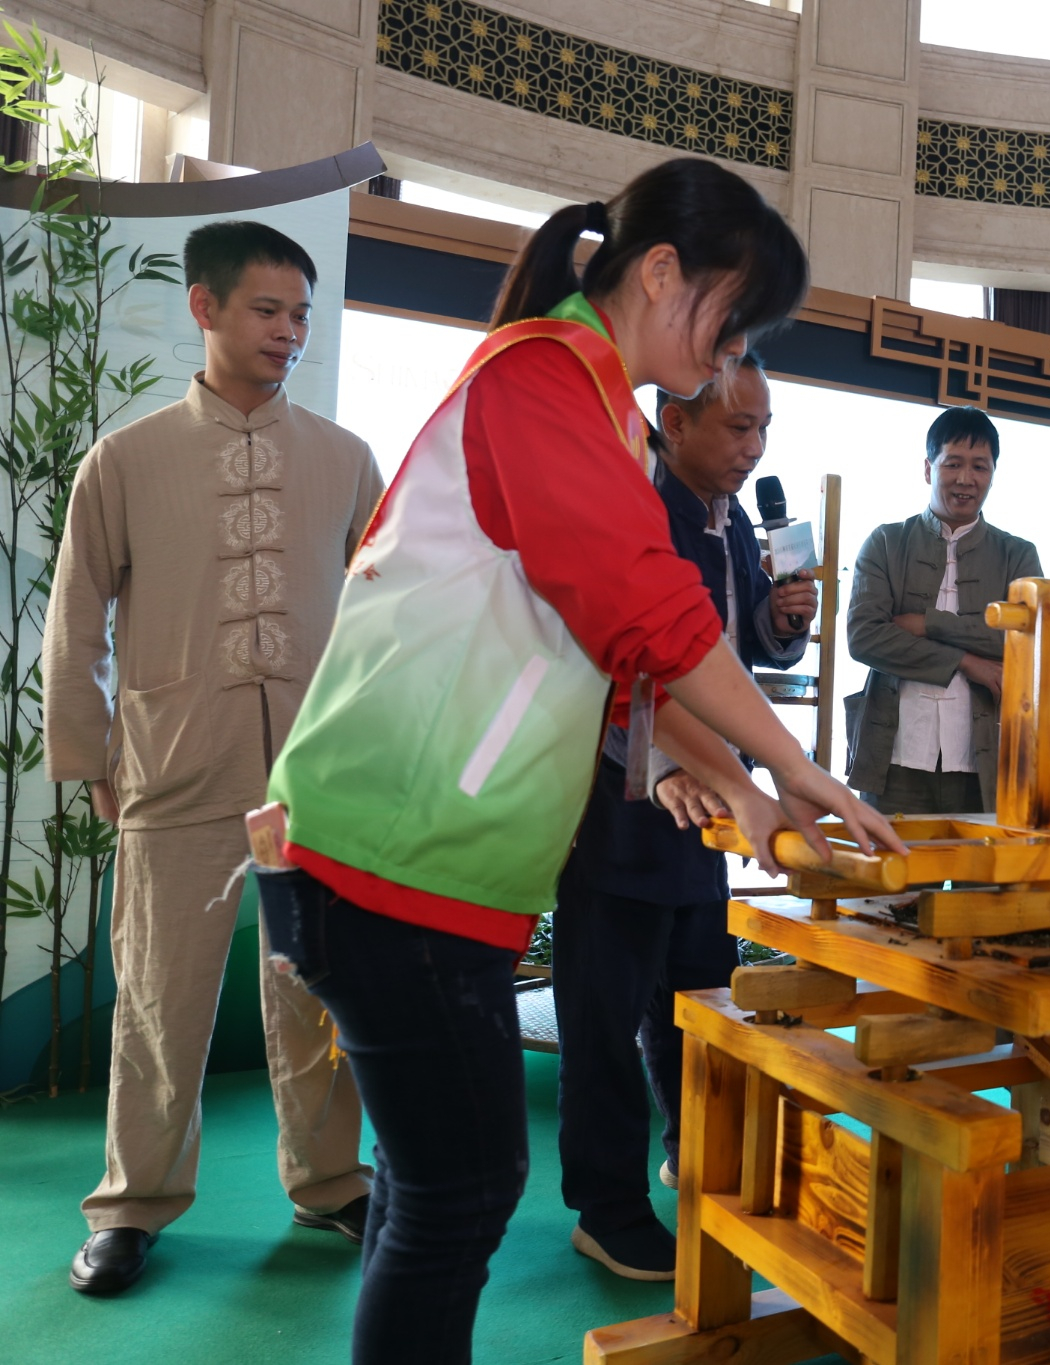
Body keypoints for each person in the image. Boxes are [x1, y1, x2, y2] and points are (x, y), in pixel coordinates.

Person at [251, 157, 902, 1365]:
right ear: (663, 274)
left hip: (424, 860)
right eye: (732, 319)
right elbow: (643, 612)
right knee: (458, 1194)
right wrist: (797, 768)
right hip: (393, 854)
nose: (728, 356)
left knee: (429, 1187)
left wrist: (756, 798)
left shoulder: (589, 400)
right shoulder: (541, 379)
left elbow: (619, 668)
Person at [45, 221, 382, 1296]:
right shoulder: (126, 460)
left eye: (300, 316)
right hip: (171, 766)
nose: (288, 333)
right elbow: (74, 618)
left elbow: (388, 614)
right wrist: (91, 749)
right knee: (158, 994)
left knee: (318, 990)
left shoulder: (345, 459)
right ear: (205, 307)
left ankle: (332, 1182)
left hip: (315, 777)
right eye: (266, 311)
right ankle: (133, 1207)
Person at [552, 353, 817, 1280]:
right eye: (739, 427)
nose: (755, 448)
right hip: (626, 792)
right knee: (602, 1010)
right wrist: (670, 765)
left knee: (697, 993)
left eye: (764, 428)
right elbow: (620, 662)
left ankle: (690, 1149)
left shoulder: (733, 516)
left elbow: (732, 654)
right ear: (673, 418)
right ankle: (606, 1203)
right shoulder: (634, 505)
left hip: (712, 803)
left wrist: (787, 625)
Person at [845, 406, 1042, 813]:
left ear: (993, 473)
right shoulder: (885, 542)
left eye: (980, 467)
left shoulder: (1018, 555)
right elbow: (865, 637)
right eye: (952, 463)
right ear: (927, 468)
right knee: (895, 876)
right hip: (895, 758)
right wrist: (968, 662)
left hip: (984, 762)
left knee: (984, 878)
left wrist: (926, 623)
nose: (965, 479)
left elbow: (1021, 642)